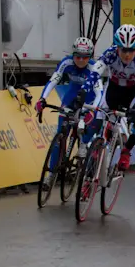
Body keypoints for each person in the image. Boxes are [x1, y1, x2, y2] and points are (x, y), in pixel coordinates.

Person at [73, 24, 135, 171]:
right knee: (98, 123)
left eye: (131, 50)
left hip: (133, 93)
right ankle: (98, 149)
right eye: (123, 50)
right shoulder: (110, 54)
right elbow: (95, 74)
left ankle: (126, 150)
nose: (127, 55)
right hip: (113, 91)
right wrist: (84, 91)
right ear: (117, 47)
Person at [35, 37, 100, 188]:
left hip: (89, 100)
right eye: (78, 56)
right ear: (73, 55)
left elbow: (99, 92)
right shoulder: (67, 63)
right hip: (71, 97)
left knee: (86, 133)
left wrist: (94, 110)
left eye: (85, 57)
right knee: (60, 136)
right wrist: (42, 99)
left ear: (90, 57)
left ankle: (83, 148)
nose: (81, 60)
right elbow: (53, 80)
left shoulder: (94, 67)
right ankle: (51, 174)